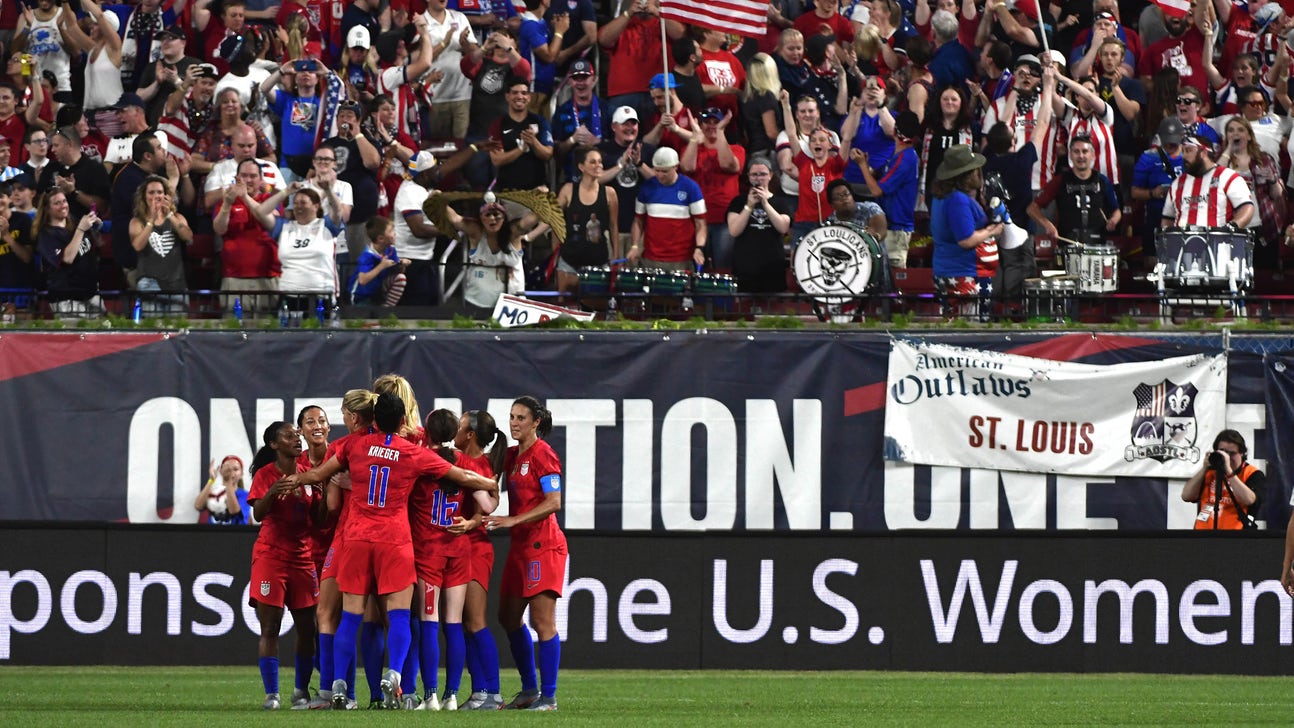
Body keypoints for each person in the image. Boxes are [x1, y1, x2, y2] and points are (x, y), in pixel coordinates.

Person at [286, 392, 499, 711]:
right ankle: (396, 673)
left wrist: (292, 479)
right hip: (394, 541)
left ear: (373, 418)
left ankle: (339, 684)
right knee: (399, 615)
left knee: (350, 617)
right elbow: (460, 476)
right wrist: (488, 483)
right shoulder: (411, 452)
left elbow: (318, 474)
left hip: (356, 539)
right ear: (402, 421)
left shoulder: (353, 445)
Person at [483, 396, 567, 712]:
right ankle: (529, 689)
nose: (515, 422)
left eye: (521, 418)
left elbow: (554, 501)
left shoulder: (544, 454)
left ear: (536, 423)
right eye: (512, 417)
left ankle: (549, 698)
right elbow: (484, 473)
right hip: (521, 547)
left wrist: (513, 519)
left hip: (543, 546)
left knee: (543, 622)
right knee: (507, 617)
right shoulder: (513, 455)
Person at [247, 420, 323, 710]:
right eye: (289, 435)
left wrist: (321, 493)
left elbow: (318, 521)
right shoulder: (267, 475)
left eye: (297, 434)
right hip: (271, 556)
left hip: (302, 557)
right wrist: (272, 492)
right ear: (274, 445)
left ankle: (301, 691)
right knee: (270, 626)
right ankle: (272, 695)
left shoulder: (308, 475)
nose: (297, 438)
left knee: (308, 628)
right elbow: (258, 514)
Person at [312, 388, 378, 711]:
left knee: (328, 614)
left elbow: (334, 505)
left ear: (352, 416)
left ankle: (333, 691)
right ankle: (386, 695)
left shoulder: (342, 448)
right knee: (378, 618)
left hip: (349, 535)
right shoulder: (388, 444)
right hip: (388, 540)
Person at [452, 409, 507, 711]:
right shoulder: (472, 464)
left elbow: (485, 507)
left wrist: (475, 520)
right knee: (463, 624)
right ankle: (478, 692)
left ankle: (493, 693)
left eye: (460, 428)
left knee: (475, 621)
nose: (455, 433)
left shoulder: (478, 466)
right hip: (458, 547)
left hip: (473, 548)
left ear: (470, 435)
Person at [930, 144, 1001, 320]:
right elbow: (966, 240)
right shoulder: (957, 200)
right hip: (963, 274)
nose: (979, 172)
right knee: (968, 330)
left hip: (952, 271)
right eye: (975, 169)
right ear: (966, 175)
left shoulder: (945, 196)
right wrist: (992, 231)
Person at [1027, 134, 1121, 258]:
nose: (1081, 156)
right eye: (1076, 152)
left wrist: (1113, 220)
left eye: (1085, 151)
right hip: (1067, 246)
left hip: (1097, 247)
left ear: (1092, 155)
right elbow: (1032, 209)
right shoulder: (1060, 181)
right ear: (1070, 155)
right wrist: (1047, 224)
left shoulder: (1103, 181)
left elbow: (1116, 211)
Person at [251, 183, 344, 306]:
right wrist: (287, 191)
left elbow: (337, 210)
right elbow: (261, 212)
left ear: (316, 206)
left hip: (321, 296)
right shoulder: (284, 227)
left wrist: (327, 190)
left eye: (303, 202)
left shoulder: (326, 225)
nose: (298, 206)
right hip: (288, 295)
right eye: (295, 203)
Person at [852, 110, 919, 269]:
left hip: (896, 228)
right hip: (889, 226)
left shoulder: (905, 158)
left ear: (895, 131)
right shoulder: (898, 155)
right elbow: (877, 175)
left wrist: (861, 165)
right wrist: (866, 164)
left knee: (894, 279)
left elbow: (877, 190)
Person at [214, 158, 281, 312]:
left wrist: (245, 197)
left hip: (268, 277)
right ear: (237, 178)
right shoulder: (227, 201)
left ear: (261, 179)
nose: (248, 180)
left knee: (268, 331)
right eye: (244, 176)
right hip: (234, 278)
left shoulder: (270, 200)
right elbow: (219, 229)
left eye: (253, 176)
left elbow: (272, 223)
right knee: (233, 330)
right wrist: (227, 205)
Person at [681, 108, 744, 271]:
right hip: (697, 219)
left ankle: (723, 298)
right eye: (707, 122)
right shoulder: (691, 149)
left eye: (716, 122)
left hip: (724, 219)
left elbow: (728, 165)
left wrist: (721, 132)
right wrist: (695, 137)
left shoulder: (737, 150)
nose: (711, 126)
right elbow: (687, 167)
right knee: (697, 268)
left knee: (723, 268)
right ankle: (696, 297)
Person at [1217, 116, 1284, 265]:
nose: (1235, 134)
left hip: (1262, 227)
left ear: (1248, 136)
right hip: (1233, 228)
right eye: (1231, 130)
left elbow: (1277, 194)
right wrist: (1228, 149)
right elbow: (1213, 181)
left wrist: (1272, 180)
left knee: (1264, 278)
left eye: (1240, 130)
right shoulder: (1223, 160)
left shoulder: (1263, 159)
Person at [627, 146, 706, 272]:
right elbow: (638, 221)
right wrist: (635, 245)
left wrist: (699, 248)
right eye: (657, 170)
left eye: (664, 171)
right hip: (651, 258)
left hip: (681, 259)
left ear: (676, 166)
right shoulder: (646, 188)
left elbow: (700, 224)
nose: (659, 175)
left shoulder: (691, 188)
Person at [556, 147, 618, 296]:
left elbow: (613, 226)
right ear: (581, 167)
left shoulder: (610, 193)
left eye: (600, 162)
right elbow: (553, 219)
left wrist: (615, 255)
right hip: (569, 261)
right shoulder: (568, 190)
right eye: (593, 162)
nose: (599, 166)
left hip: (599, 261)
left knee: (597, 308)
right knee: (564, 308)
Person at [728, 155, 793, 295]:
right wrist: (749, 206)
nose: (758, 178)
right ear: (749, 177)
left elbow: (783, 227)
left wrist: (765, 203)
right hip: (745, 265)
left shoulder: (780, 202)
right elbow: (734, 231)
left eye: (763, 174)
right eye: (755, 175)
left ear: (770, 175)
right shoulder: (738, 202)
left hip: (772, 265)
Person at [446, 197, 526, 309]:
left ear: (504, 217)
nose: (492, 219)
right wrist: (437, 201)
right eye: (487, 215)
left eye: (496, 215)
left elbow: (531, 220)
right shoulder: (476, 232)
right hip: (476, 302)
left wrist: (542, 200)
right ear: (481, 218)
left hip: (512, 306)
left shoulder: (513, 233)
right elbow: (455, 219)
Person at [1160, 135, 1254, 229]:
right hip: (1182, 242)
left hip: (1218, 241)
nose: (1184, 156)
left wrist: (1231, 228)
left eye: (1188, 150)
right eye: (1183, 151)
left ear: (1203, 152)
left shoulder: (1228, 177)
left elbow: (1246, 207)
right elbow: (1168, 218)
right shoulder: (1177, 183)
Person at [1131, 116, 1186, 270]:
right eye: (1167, 141)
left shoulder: (1189, 156)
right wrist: (1152, 193)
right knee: (1152, 261)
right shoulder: (1148, 157)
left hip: (1183, 215)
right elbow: (1135, 192)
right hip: (1156, 214)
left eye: (1174, 141)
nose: (1170, 145)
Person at [129, 175, 193, 309]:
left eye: (160, 192)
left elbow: (188, 237)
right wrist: (151, 220)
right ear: (144, 197)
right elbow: (137, 246)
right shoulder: (137, 222)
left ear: (166, 195)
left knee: (177, 327)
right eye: (151, 192)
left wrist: (170, 215)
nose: (156, 196)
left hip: (176, 283)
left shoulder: (177, 218)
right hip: (149, 283)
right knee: (153, 326)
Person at [35, 188, 102, 315]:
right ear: (47, 209)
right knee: (76, 334)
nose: (63, 205)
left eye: (64, 201)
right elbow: (67, 258)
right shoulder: (46, 235)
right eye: (57, 203)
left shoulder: (73, 224)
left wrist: (95, 228)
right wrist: (81, 229)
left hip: (91, 294)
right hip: (67, 299)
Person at [1182, 429, 1265, 530]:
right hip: (1203, 535)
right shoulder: (1209, 472)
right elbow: (1186, 496)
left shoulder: (1252, 473)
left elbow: (1250, 500)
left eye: (1232, 453)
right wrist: (1204, 468)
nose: (1227, 457)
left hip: (1237, 537)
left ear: (1242, 453)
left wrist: (1229, 472)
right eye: (1223, 452)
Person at [393, 151, 444, 306]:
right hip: (410, 263)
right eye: (435, 169)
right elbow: (419, 230)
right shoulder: (410, 193)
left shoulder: (422, 189)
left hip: (424, 260)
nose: (439, 172)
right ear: (424, 175)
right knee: (414, 314)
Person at [487, 77, 554, 191]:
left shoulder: (540, 122)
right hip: (508, 191)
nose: (519, 96)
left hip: (537, 190)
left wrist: (534, 142)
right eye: (515, 93)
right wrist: (521, 149)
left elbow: (548, 154)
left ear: (529, 98)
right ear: (507, 96)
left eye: (524, 93)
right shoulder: (497, 125)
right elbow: (496, 160)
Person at [349, 215, 408, 306]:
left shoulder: (391, 250)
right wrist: (381, 266)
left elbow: (398, 271)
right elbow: (362, 280)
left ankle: (386, 309)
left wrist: (401, 264)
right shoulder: (367, 256)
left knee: (400, 278)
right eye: (390, 231)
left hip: (378, 291)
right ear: (380, 239)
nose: (394, 234)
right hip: (360, 296)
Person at [195, 455, 251, 526]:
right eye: (227, 469)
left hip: (236, 535)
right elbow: (198, 506)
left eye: (235, 469)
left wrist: (228, 482)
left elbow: (234, 512)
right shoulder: (215, 492)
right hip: (214, 535)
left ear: (241, 474)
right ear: (221, 471)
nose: (231, 472)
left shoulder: (245, 495)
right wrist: (211, 480)